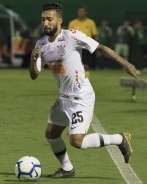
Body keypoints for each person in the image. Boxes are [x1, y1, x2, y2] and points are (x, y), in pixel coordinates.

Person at [29, 3, 137, 178]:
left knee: (77, 141)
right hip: (64, 98)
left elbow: (100, 47)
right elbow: (34, 75)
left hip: (80, 96)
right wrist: (34, 61)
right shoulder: (40, 44)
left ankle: (119, 139)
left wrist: (125, 63)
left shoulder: (72, 36)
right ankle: (67, 169)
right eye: (43, 20)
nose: (45, 23)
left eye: (50, 19)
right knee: (51, 133)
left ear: (59, 20)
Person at [68, 5, 98, 71]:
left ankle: (85, 79)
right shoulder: (72, 23)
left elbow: (95, 35)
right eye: (80, 11)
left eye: (83, 11)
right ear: (77, 12)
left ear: (86, 13)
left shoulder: (91, 22)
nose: (81, 13)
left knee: (86, 65)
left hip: (87, 46)